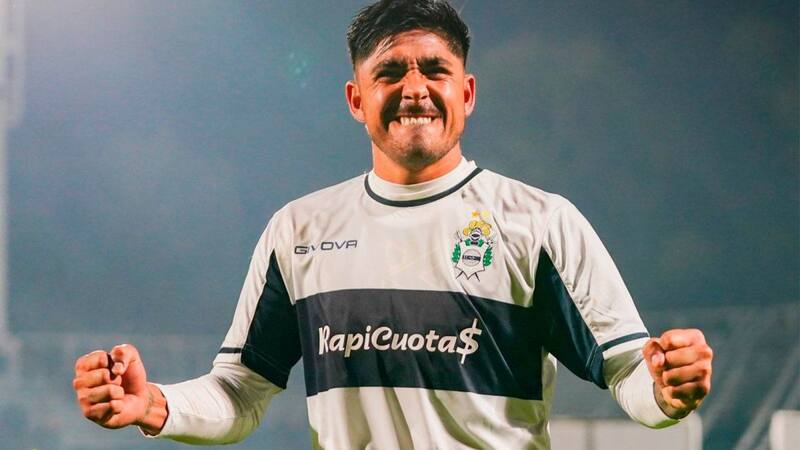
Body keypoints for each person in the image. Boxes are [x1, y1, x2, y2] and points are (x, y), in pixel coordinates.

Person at [72, 1, 713, 448]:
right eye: (389, 71)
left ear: (466, 92)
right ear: (357, 99)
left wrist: (668, 390)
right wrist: (151, 404)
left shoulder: (541, 224)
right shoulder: (298, 231)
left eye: (434, 69)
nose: (413, 87)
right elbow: (241, 392)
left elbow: (631, 373)